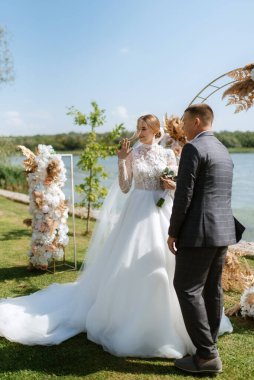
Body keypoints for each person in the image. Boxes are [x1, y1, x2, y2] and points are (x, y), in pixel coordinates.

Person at [0, 114, 231, 359]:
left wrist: (171, 185)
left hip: (164, 210)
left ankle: (188, 326)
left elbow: (180, 183)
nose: (140, 132)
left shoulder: (168, 154)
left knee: (168, 266)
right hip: (138, 209)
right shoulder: (134, 153)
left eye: (144, 128)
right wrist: (122, 161)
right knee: (130, 261)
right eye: (138, 128)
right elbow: (124, 186)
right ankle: (130, 319)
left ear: (155, 130)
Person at [167, 104, 238, 374]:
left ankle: (207, 355)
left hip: (199, 232)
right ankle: (209, 346)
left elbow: (184, 196)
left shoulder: (193, 149)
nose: (182, 127)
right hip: (222, 231)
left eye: (185, 122)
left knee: (187, 288)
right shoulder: (222, 149)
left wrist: (173, 231)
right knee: (211, 289)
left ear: (197, 122)